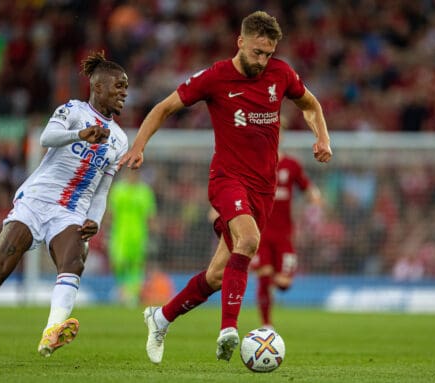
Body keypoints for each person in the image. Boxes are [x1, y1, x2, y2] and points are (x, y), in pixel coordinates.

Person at [119, 11, 332, 364]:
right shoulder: (216, 77)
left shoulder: (281, 73)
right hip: (227, 179)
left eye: (268, 53)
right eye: (257, 53)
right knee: (249, 240)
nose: (263, 61)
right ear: (241, 42)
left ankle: (161, 317)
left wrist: (323, 137)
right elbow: (165, 107)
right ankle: (228, 330)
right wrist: (139, 145)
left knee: (217, 275)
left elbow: (310, 104)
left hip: (262, 189)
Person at [0, 50, 129, 362]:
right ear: (99, 87)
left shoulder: (119, 139)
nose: (124, 93)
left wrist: (95, 219)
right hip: (36, 202)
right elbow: (46, 137)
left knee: (74, 260)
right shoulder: (73, 111)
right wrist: (80, 134)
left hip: (71, 212)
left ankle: (52, 331)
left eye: (126, 88)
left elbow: (103, 189)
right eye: (119, 86)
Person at [251, 150, 322, 329]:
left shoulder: (292, 165)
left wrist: (314, 196)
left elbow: (306, 186)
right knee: (264, 278)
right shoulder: (253, 161)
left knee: (284, 283)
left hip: (284, 234)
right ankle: (267, 324)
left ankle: (267, 283)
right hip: (260, 233)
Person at [107, 169, 157, 307]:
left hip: (139, 235)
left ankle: (132, 295)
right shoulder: (118, 189)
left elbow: (150, 215)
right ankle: (123, 291)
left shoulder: (145, 191)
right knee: (119, 264)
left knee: (136, 266)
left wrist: (154, 233)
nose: (132, 175)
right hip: (120, 234)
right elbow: (111, 213)